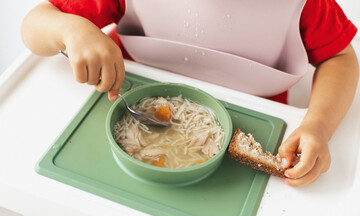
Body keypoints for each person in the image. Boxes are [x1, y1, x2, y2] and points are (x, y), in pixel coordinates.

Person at [21, 0, 359, 187]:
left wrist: (319, 126)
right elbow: (35, 23)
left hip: (251, 131)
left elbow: (340, 57)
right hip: (119, 100)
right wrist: (71, 29)